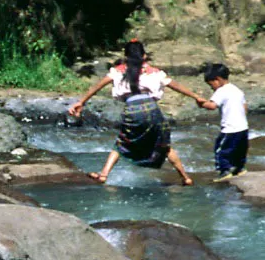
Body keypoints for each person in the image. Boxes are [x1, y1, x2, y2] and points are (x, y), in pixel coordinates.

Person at [68, 39, 204, 185]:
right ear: (144, 56)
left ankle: (104, 175)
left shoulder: (118, 71)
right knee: (163, 144)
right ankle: (185, 177)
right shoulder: (154, 72)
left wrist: (81, 102)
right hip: (152, 109)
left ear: (125, 56)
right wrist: (196, 96)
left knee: (121, 143)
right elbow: (175, 85)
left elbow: (97, 86)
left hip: (132, 110)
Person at [197, 62, 249, 182]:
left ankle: (224, 171)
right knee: (240, 150)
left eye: (211, 85)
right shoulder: (237, 90)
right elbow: (245, 107)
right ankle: (239, 168)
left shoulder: (221, 91)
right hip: (243, 127)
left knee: (221, 150)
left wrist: (201, 103)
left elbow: (212, 106)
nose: (212, 88)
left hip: (229, 128)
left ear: (218, 79)